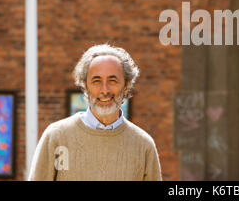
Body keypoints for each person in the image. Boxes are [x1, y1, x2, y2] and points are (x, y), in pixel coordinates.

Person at [28, 43, 162, 181]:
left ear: (126, 86)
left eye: (112, 80)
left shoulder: (143, 145)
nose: (104, 90)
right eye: (96, 81)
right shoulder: (56, 136)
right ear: (85, 87)